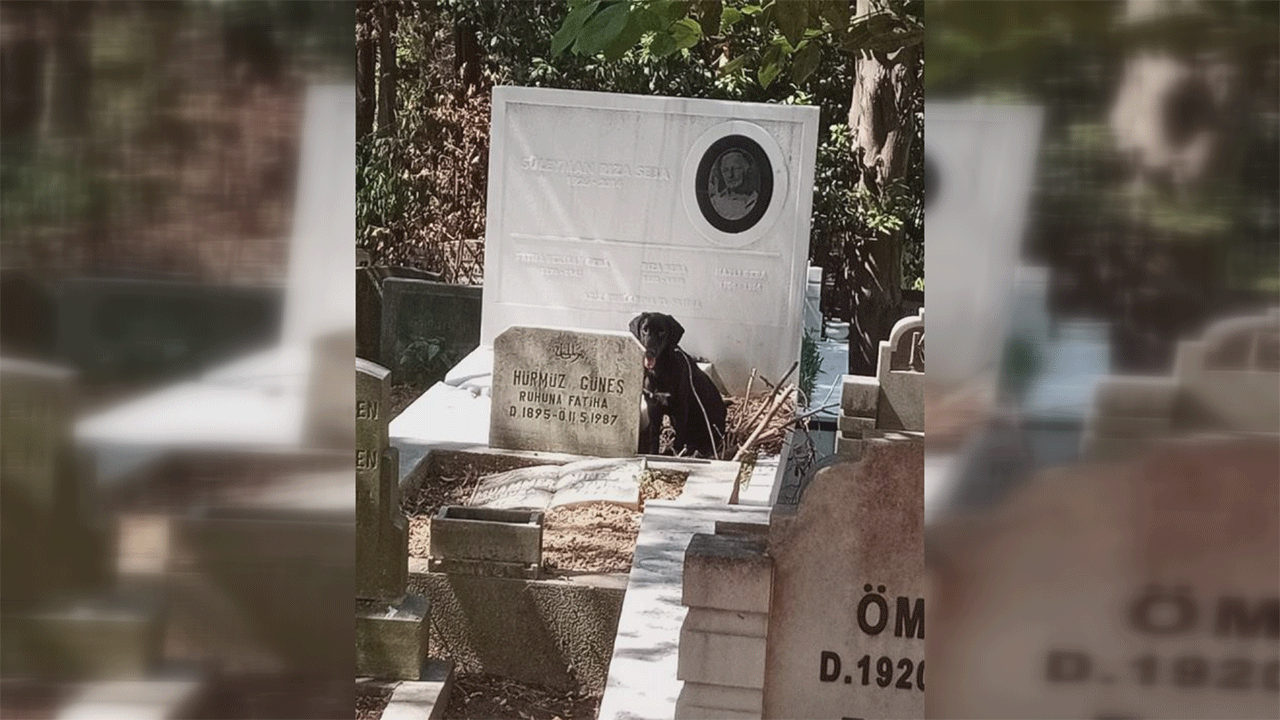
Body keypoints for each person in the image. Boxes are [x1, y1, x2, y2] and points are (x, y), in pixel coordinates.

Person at [709, 149, 757, 221]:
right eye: (725, 170)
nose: (730, 175)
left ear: (747, 170)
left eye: (736, 169)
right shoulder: (716, 203)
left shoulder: (758, 200)